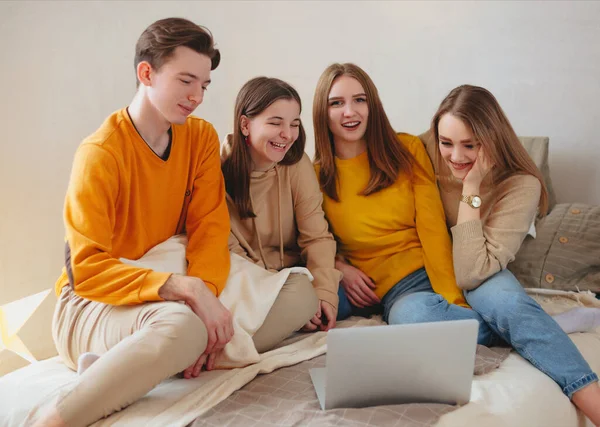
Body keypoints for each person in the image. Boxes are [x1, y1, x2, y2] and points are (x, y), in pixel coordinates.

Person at [34, 18, 232, 427]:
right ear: (147, 73)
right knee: (186, 328)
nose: (197, 96)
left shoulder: (201, 139)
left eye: (204, 85)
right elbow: (86, 270)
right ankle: (53, 417)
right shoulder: (100, 154)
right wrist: (188, 291)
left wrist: (206, 298)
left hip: (163, 288)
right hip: (91, 304)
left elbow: (210, 229)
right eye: (186, 81)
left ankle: (135, 358)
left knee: (296, 290)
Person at [426, 84, 600, 425]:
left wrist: (471, 188)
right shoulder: (423, 154)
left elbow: (471, 271)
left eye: (470, 146)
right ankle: (536, 327)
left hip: (483, 271)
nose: (456, 156)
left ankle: (591, 398)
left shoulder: (521, 184)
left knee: (508, 304)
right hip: (431, 269)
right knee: (409, 317)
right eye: (446, 143)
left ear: (491, 140)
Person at [312, 63, 495, 345]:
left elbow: (432, 227)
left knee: (413, 317)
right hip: (354, 285)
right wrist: (339, 268)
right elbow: (312, 239)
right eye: (336, 103)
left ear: (373, 105)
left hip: (411, 281)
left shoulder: (406, 150)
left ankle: (509, 329)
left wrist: (453, 298)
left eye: (359, 100)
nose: (350, 112)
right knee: (304, 305)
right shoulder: (315, 174)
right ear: (322, 113)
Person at [221, 77, 341, 352]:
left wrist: (322, 295)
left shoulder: (296, 164)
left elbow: (317, 237)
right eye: (275, 123)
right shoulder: (215, 171)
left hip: (297, 277)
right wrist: (286, 300)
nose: (287, 134)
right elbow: (230, 253)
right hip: (250, 284)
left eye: (295, 124)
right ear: (245, 125)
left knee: (335, 297)